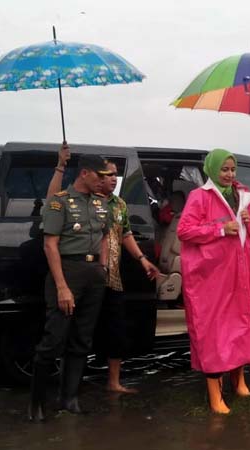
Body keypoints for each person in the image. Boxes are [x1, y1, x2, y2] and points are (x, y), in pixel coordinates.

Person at [46, 151, 161, 393]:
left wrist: (142, 259)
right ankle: (66, 389)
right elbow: (52, 201)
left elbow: (124, 234)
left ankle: (112, 382)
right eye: (106, 175)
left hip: (110, 278)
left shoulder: (118, 205)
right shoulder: (79, 199)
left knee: (114, 327)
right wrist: (60, 166)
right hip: (81, 275)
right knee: (72, 331)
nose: (112, 179)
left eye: (115, 175)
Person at [177, 148, 250, 414]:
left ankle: (239, 380)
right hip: (209, 277)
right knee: (213, 332)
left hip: (239, 273)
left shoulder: (243, 194)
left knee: (239, 325)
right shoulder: (199, 197)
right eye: (224, 169)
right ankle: (215, 393)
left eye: (232, 169)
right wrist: (219, 229)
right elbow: (184, 230)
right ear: (213, 170)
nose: (229, 174)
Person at [28, 154, 112, 421]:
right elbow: (49, 245)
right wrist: (63, 287)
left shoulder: (101, 203)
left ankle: (69, 399)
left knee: (82, 340)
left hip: (93, 275)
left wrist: (104, 266)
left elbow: (105, 236)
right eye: (100, 176)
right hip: (67, 272)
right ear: (85, 173)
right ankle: (36, 405)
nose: (104, 181)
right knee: (54, 340)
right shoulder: (60, 201)